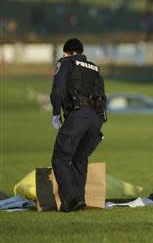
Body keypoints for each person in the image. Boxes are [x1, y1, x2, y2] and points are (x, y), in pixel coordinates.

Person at [50, 38, 107, 212]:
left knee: (60, 158)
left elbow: (58, 89)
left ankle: (73, 199)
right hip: (96, 119)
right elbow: (103, 97)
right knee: (79, 159)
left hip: (78, 115)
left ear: (67, 52)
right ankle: (79, 200)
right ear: (81, 51)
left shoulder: (66, 63)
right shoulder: (95, 68)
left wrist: (55, 113)